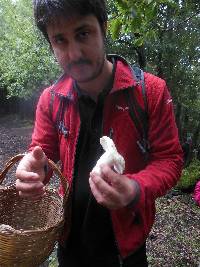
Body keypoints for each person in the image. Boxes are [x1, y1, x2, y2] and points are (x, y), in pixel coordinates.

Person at [15, 0, 183, 266]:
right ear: (50, 43)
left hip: (126, 249)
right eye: (60, 40)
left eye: (83, 34)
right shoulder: (51, 99)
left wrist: (135, 189)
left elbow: (170, 159)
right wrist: (33, 170)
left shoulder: (150, 91)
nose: (74, 54)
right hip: (69, 242)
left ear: (103, 27)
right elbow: (42, 156)